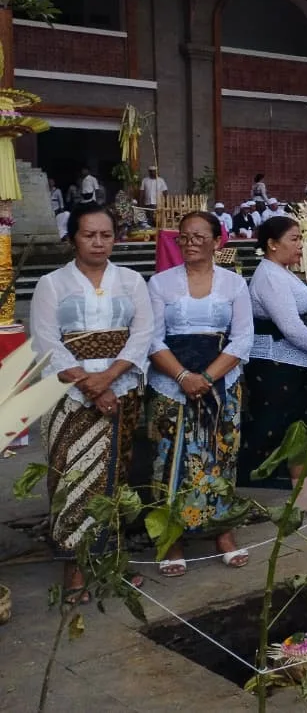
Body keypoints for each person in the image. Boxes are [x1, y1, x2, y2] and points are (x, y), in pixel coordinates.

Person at [31, 203, 154, 603]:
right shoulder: (51, 284)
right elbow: (46, 342)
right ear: (73, 239)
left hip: (122, 389)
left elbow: (142, 334)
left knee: (114, 478)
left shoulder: (132, 281)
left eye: (106, 235)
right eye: (89, 235)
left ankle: (112, 561)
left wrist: (110, 378)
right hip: (70, 396)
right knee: (72, 477)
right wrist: (91, 386)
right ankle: (75, 568)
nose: (98, 242)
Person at [146, 212, 253, 577]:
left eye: (199, 236)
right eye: (184, 237)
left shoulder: (234, 284)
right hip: (170, 385)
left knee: (219, 457)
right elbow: (152, 338)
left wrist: (206, 377)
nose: (190, 243)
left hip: (221, 384)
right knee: (168, 458)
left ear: (217, 241)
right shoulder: (160, 283)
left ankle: (222, 533)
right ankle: (171, 539)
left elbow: (242, 338)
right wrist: (182, 376)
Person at [238, 216, 307, 511]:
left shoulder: (282, 273)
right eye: (294, 239)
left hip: (295, 363)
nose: (300, 245)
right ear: (272, 244)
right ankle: (253, 490)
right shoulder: (269, 276)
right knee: (277, 426)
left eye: (300, 238)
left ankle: (303, 492)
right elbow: (291, 326)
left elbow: (305, 319)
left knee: (300, 425)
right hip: (275, 363)